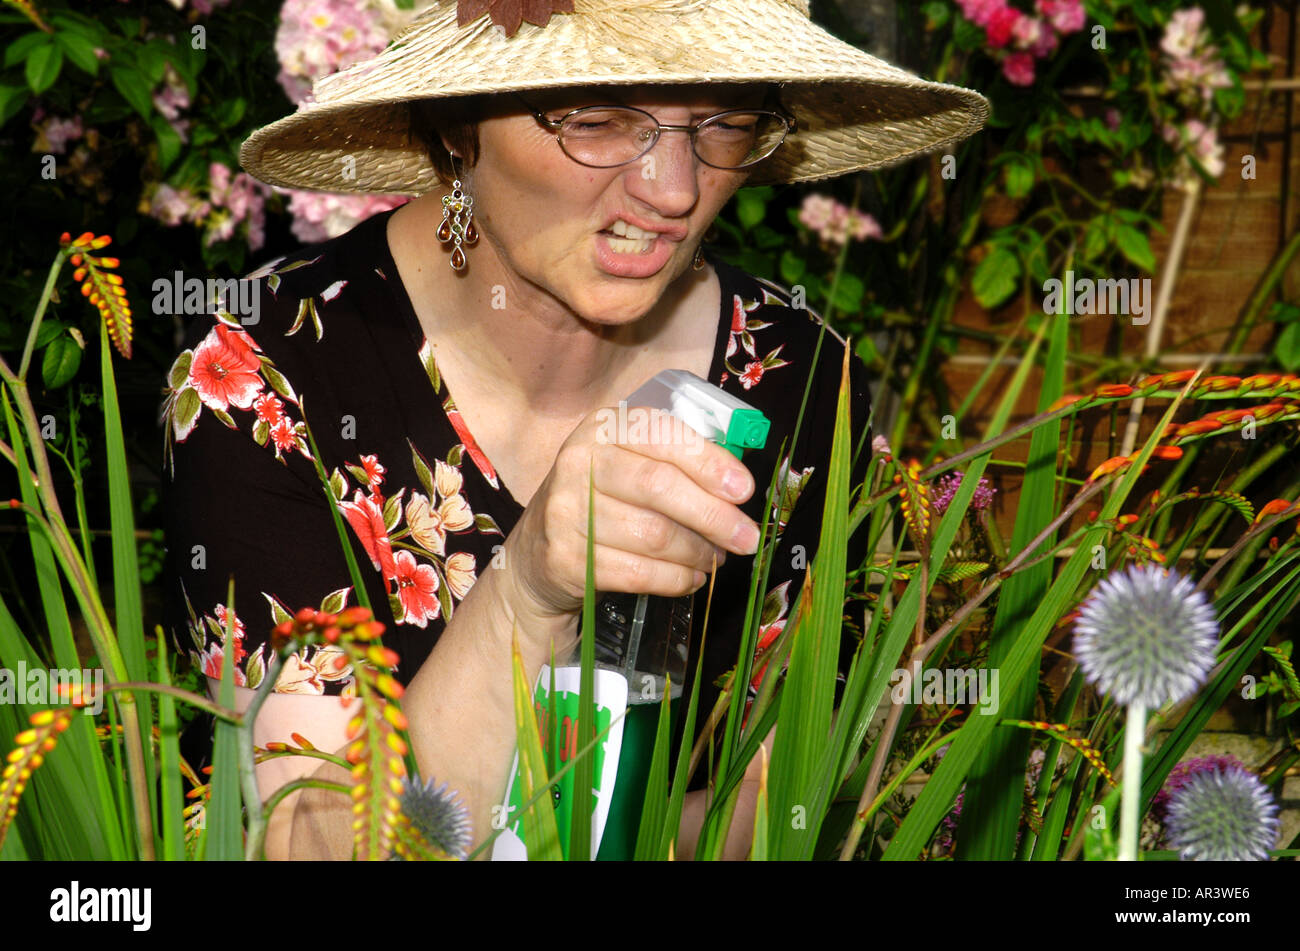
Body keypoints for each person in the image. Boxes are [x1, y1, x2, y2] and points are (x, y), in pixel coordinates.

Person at [161, 0, 988, 860]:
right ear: (456, 127)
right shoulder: (266, 380)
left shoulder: (798, 378)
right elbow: (312, 844)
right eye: (595, 120)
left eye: (727, 123)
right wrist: (526, 591)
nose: (674, 188)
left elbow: (790, 783)